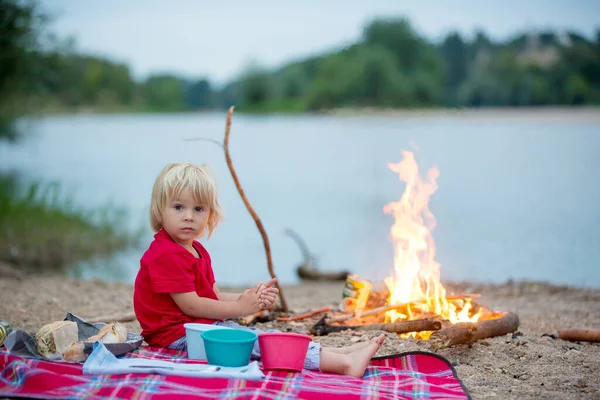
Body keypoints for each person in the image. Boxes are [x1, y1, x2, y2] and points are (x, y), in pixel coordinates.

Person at [133, 162, 385, 377]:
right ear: (160, 210)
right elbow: (192, 306)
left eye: (198, 209)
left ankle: (335, 354)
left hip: (196, 328)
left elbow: (212, 296)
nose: (189, 216)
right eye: (178, 207)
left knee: (264, 336)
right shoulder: (165, 254)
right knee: (260, 344)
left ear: (210, 214)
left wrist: (248, 297)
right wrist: (241, 308)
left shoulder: (195, 249)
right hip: (175, 336)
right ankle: (344, 364)